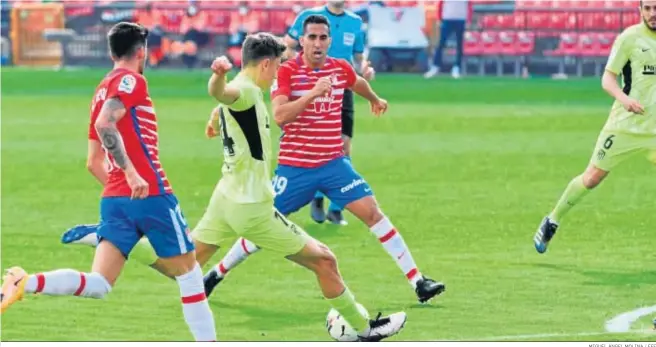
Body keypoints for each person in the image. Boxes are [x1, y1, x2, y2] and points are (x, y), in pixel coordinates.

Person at [61, 32, 408, 342]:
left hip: (224, 200)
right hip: (252, 208)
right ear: (267, 64)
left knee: (182, 268)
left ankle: (122, 242)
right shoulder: (243, 90)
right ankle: (363, 329)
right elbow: (223, 93)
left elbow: (223, 103)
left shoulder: (247, 91)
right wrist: (217, 77)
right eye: (278, 67)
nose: (279, 75)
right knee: (325, 261)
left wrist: (215, 114)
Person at [203, 15, 446, 304]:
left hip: (334, 165)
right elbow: (281, 116)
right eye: (312, 37)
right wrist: (313, 93)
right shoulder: (288, 71)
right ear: (302, 41)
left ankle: (418, 281)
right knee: (262, 227)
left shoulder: (339, 68)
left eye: (322, 38)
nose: (317, 43)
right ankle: (216, 273)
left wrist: (374, 99)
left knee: (373, 214)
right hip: (295, 169)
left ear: (329, 41)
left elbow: (355, 82)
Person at [0, 22, 217, 341]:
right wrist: (132, 175)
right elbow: (106, 124)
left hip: (115, 198)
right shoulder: (132, 80)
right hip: (151, 193)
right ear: (141, 52)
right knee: (190, 274)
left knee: (99, 284)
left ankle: (25, 282)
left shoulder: (100, 90)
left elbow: (93, 162)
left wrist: (124, 191)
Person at [533, 0, 656, 253]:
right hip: (625, 126)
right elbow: (608, 78)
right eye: (648, 8)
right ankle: (552, 220)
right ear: (640, 10)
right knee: (592, 178)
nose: (653, 14)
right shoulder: (629, 39)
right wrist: (625, 100)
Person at [284, 0, 374, 225]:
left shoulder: (355, 22)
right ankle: (316, 199)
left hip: (343, 89)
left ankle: (336, 208)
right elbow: (288, 46)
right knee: (316, 143)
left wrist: (365, 70)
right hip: (312, 88)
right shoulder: (310, 17)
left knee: (343, 146)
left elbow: (359, 57)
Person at [423, 0, 472, 79]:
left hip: (461, 19)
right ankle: (435, 66)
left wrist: (468, 20)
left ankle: (457, 68)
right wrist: (439, 18)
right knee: (441, 43)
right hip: (447, 18)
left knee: (459, 45)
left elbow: (469, 5)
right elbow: (440, 4)